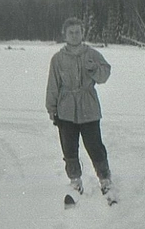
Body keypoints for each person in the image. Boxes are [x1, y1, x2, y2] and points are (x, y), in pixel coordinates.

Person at [46, 17, 115, 203]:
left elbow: (104, 75)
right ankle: (75, 181)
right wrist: (51, 108)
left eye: (77, 32)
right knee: (69, 148)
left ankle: (105, 180)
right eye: (71, 32)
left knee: (95, 146)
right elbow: (53, 85)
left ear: (82, 33)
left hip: (89, 108)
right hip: (65, 109)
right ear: (65, 34)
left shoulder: (91, 54)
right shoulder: (58, 59)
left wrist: (94, 70)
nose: (74, 35)